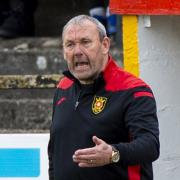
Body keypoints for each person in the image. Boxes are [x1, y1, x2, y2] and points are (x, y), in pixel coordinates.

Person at [48, 15, 160, 180]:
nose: (77, 52)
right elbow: (55, 151)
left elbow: (150, 146)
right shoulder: (63, 88)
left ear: (105, 45)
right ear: (64, 51)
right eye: (70, 44)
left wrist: (113, 154)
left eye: (85, 42)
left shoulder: (132, 89)